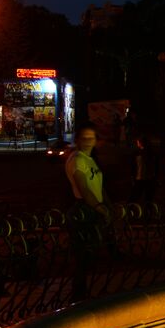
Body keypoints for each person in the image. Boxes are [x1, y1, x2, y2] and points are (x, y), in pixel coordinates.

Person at [65, 123, 110, 298]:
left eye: (91, 138)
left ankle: (83, 293)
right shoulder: (77, 159)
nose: (88, 141)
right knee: (82, 255)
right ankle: (78, 295)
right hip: (84, 209)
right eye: (84, 138)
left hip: (93, 208)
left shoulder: (89, 159)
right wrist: (100, 208)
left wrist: (106, 204)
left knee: (90, 254)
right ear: (77, 140)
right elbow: (84, 188)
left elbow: (98, 186)